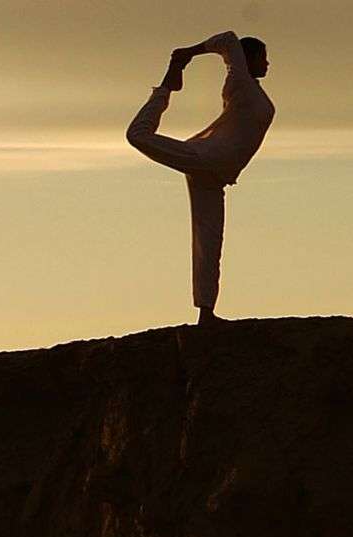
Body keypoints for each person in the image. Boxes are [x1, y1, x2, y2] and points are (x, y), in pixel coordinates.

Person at [126, 31, 274, 325]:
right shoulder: (240, 82)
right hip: (206, 158)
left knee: (209, 240)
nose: (268, 63)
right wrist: (188, 54)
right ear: (249, 59)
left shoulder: (249, 88)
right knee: (137, 135)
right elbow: (229, 39)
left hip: (215, 173)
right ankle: (165, 88)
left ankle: (206, 313)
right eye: (263, 57)